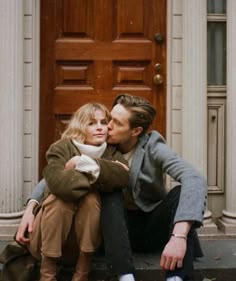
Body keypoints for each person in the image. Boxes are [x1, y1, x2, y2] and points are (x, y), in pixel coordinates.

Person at [16, 94, 207, 281]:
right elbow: (56, 174)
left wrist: (179, 236)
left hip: (151, 224)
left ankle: (176, 277)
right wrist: (31, 206)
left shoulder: (153, 146)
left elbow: (194, 179)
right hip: (115, 232)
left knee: (180, 193)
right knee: (111, 190)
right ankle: (125, 274)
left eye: (116, 122)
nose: (107, 126)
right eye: (110, 119)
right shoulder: (100, 142)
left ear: (135, 131)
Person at [18, 103, 129, 281]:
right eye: (91, 123)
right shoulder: (60, 148)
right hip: (46, 240)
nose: (100, 127)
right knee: (59, 199)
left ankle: (82, 272)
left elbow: (123, 178)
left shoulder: (111, 151)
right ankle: (47, 273)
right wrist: (101, 176)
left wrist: (80, 163)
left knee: (91, 199)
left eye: (103, 122)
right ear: (79, 125)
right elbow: (60, 185)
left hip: (85, 242)